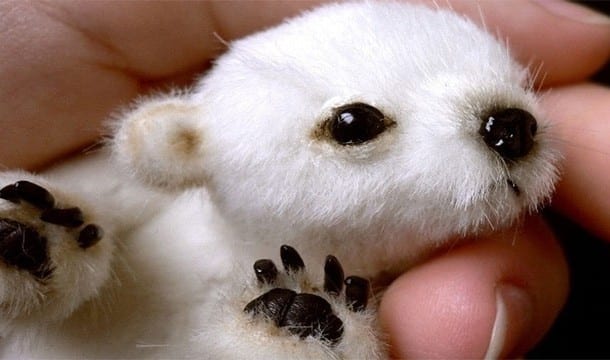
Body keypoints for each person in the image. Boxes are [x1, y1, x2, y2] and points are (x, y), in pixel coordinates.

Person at [0, 1, 608, 358]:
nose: (506, 125)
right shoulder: (170, 176)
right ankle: (33, 254)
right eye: (354, 128)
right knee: (66, 225)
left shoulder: (379, 298)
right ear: (182, 147)